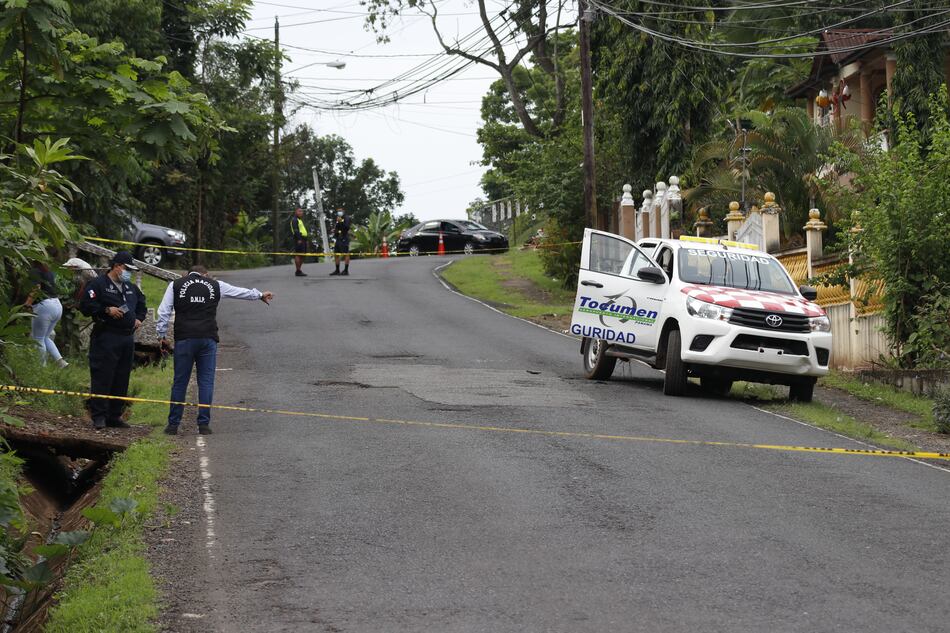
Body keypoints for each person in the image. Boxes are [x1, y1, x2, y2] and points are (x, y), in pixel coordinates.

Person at [156, 265, 273, 435]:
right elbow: (238, 292)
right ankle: (203, 424)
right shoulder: (215, 285)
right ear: (205, 275)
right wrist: (259, 295)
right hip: (207, 338)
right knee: (206, 381)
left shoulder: (175, 285)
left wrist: (161, 335)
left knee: (180, 382)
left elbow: (164, 311)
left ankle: (173, 425)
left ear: (188, 274)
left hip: (185, 338)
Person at [78, 251, 146, 430]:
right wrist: (106, 310)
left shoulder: (130, 287)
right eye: (126, 269)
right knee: (103, 376)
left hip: (127, 338)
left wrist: (139, 318)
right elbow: (86, 306)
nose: (128, 273)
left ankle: (115, 415)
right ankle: (99, 416)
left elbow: (141, 303)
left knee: (122, 377)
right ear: (117, 267)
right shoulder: (98, 284)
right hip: (106, 336)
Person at [24, 261, 67, 368]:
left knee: (38, 338)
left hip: (45, 306)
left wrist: (28, 303)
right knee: (45, 337)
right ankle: (61, 362)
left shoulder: (35, 271)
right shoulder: (49, 271)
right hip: (57, 305)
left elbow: (37, 287)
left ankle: (41, 367)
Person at [330, 208, 351, 276]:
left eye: (340, 211)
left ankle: (346, 270)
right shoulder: (338, 218)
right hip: (338, 238)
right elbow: (338, 229)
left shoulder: (346, 218)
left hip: (344, 237)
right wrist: (335, 230)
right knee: (336, 254)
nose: (339, 212)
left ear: (343, 211)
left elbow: (346, 227)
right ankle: (337, 270)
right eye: (338, 211)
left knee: (346, 253)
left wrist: (341, 221)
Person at [290, 208, 309, 277]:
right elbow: (295, 230)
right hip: (299, 238)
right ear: (296, 212)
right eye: (299, 211)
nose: (301, 212)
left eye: (302, 211)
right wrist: (299, 239)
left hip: (303, 239)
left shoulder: (299, 220)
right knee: (298, 254)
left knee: (303, 255)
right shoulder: (294, 220)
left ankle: (299, 270)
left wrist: (306, 240)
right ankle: (298, 271)